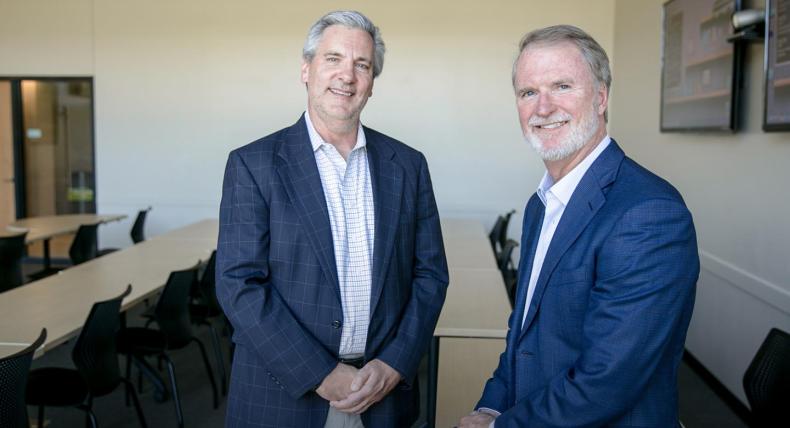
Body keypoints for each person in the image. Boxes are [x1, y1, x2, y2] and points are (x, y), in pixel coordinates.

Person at [216, 10, 448, 428]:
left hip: (383, 395)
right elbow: (239, 285)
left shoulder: (408, 166)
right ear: (306, 69)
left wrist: (396, 363)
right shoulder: (253, 165)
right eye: (333, 59)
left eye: (362, 64)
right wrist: (320, 373)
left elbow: (430, 276)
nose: (347, 75)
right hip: (282, 395)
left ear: (373, 81)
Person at [459, 25, 699, 427]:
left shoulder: (649, 213)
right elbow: (523, 337)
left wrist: (500, 426)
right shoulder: (542, 203)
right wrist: (490, 407)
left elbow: (607, 382)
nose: (543, 107)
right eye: (528, 92)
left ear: (601, 97)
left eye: (562, 86)